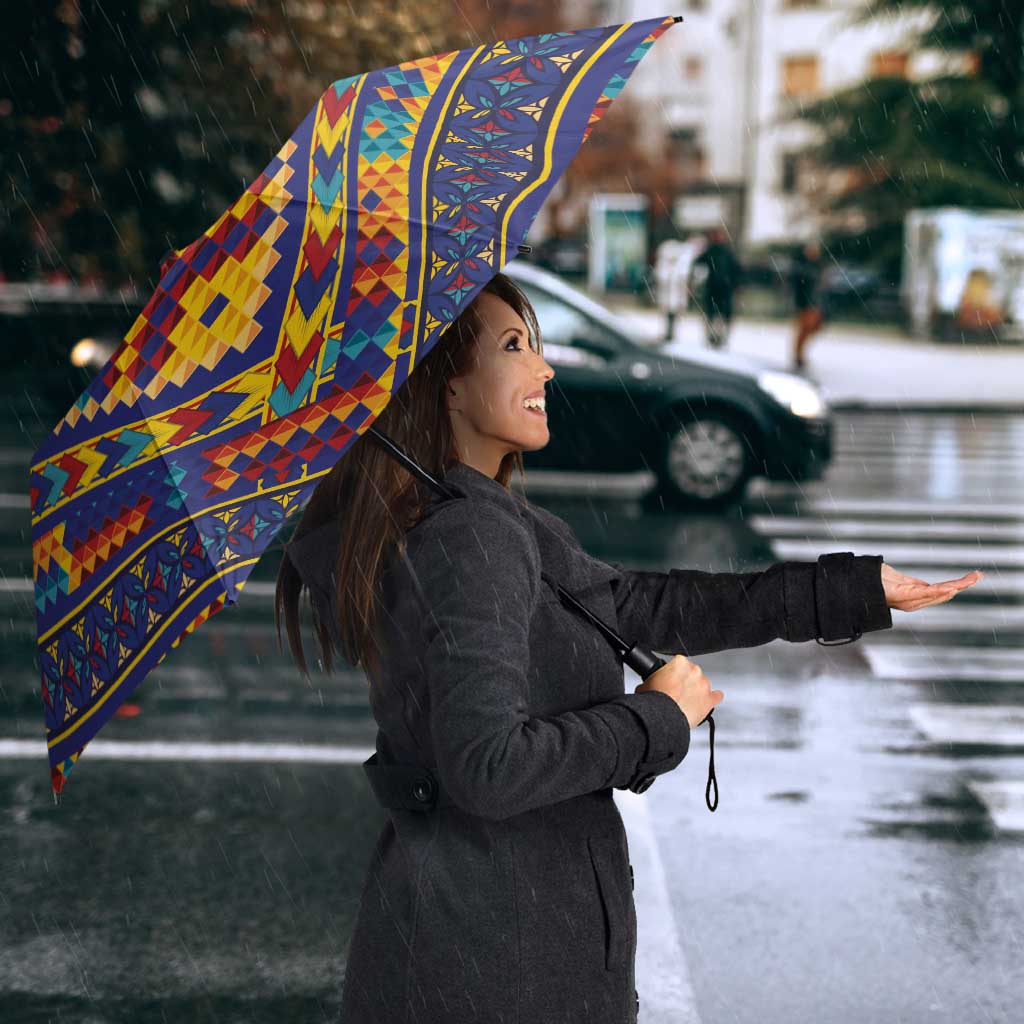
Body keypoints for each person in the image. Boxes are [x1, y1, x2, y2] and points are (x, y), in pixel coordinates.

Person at [276, 272, 982, 1024]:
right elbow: (487, 767)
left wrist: (848, 590)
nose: (544, 368)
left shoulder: (478, 519)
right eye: (515, 346)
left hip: (478, 944)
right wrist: (655, 719)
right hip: (497, 963)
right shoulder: (470, 537)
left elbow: (643, 606)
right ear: (447, 388)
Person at [692, 226, 742, 349]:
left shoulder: (725, 252)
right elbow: (698, 264)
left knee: (720, 315)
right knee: (713, 314)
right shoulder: (712, 251)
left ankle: (719, 337)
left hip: (723, 288)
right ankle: (713, 337)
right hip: (715, 288)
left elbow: (736, 270)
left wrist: (735, 284)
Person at [790, 239, 826, 370]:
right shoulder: (802, 267)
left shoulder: (817, 266)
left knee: (812, 328)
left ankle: (799, 354)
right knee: (804, 329)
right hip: (805, 303)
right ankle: (798, 355)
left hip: (814, 303)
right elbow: (799, 286)